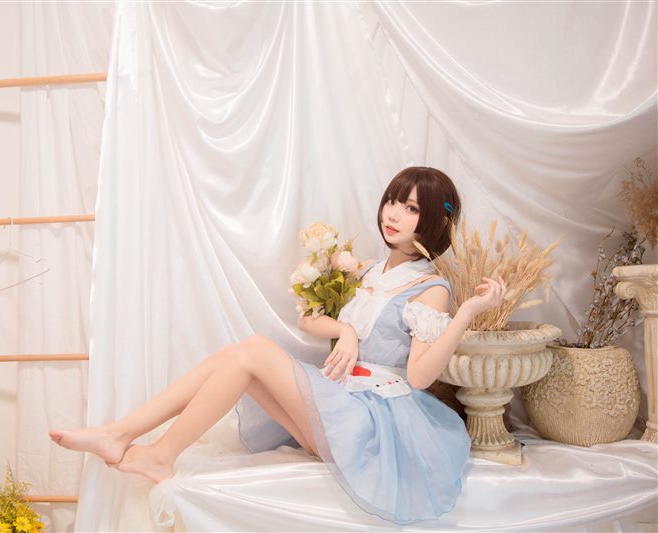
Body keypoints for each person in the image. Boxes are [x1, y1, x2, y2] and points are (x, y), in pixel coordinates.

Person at [50, 166, 507, 523]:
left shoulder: (431, 288)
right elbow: (309, 320)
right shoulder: (368, 271)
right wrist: (344, 331)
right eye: (392, 201)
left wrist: (466, 313)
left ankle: (150, 450)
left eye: (410, 208)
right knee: (238, 360)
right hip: (339, 402)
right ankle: (124, 436)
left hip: (370, 424)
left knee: (251, 351)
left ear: (435, 221)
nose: (393, 213)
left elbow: (420, 377)